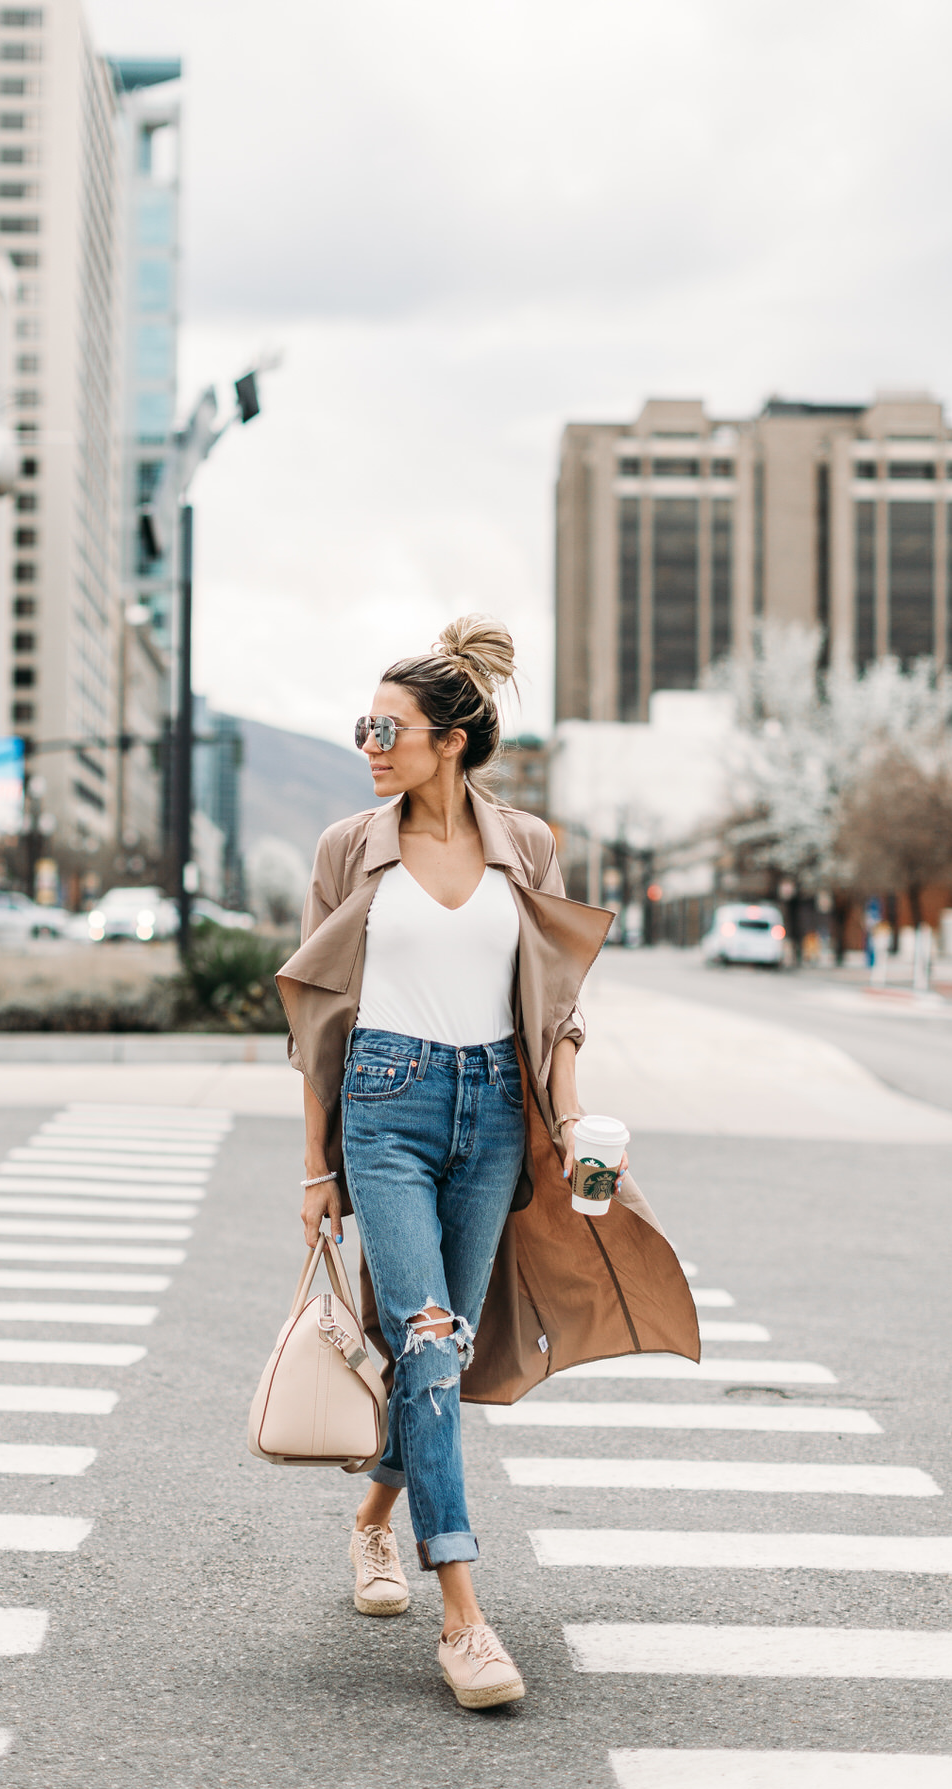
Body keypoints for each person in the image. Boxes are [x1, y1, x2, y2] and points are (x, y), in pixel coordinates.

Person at [276, 616, 697, 1711]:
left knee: (443, 1359)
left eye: (391, 727)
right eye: (364, 725)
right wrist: (317, 1165)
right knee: (422, 1341)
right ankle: (464, 1616)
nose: (371, 742)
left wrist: (572, 1131)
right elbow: (319, 1023)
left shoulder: (528, 847)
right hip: (384, 1104)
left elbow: (555, 1014)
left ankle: (374, 1516)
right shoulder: (345, 849)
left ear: (451, 741)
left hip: (496, 1114)